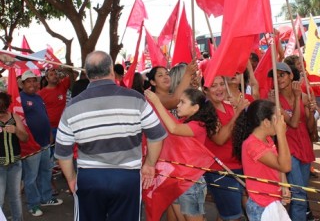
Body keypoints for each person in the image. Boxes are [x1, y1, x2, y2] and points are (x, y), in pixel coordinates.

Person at [54, 51, 167, 221]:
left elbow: (63, 152)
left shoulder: (72, 106)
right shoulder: (136, 99)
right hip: (127, 177)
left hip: (89, 178)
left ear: (86, 72)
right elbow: (156, 135)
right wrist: (149, 165)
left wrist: (71, 179)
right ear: (111, 70)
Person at [145, 88, 219, 221]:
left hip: (191, 182)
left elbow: (173, 128)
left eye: (182, 102)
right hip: (178, 180)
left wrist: (157, 103)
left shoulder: (199, 126)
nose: (178, 105)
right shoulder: (186, 121)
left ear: (195, 108)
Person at [268, 62, 316, 220]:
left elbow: (310, 127)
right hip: (288, 148)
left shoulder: (305, 95)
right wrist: (297, 98)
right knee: (299, 193)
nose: (278, 78)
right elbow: (294, 123)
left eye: (282, 74)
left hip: (304, 146)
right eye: (275, 76)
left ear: (291, 76)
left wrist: (311, 111)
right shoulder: (275, 99)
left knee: (302, 190)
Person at [233, 99, 291, 220]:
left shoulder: (267, 139)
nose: (281, 121)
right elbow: (285, 166)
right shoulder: (252, 144)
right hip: (262, 205)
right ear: (266, 122)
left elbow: (278, 165)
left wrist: (284, 184)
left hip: (272, 200)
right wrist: (281, 134)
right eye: (277, 118)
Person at [203, 75, 249, 221]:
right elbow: (219, 139)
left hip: (238, 166)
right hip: (220, 170)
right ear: (205, 90)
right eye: (214, 85)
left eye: (221, 84)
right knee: (232, 216)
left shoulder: (229, 105)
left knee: (226, 215)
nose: (219, 89)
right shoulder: (206, 111)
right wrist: (238, 113)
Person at [20, 70, 63, 217]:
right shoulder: (19, 99)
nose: (32, 84)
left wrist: (50, 133)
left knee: (46, 171)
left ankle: (46, 198)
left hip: (45, 142)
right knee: (31, 177)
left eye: (34, 80)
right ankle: (33, 204)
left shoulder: (38, 97)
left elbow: (44, 115)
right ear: (23, 84)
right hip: (31, 146)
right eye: (28, 81)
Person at [0, 92, 29, 221]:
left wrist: (16, 130)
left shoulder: (14, 117)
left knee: (15, 197)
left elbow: (25, 138)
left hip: (15, 165)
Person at [38, 68, 71, 142]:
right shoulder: (41, 94)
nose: (54, 76)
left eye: (55, 74)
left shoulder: (62, 86)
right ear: (46, 78)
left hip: (63, 126)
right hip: (49, 128)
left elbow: (69, 76)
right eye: (51, 75)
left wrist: (60, 68)